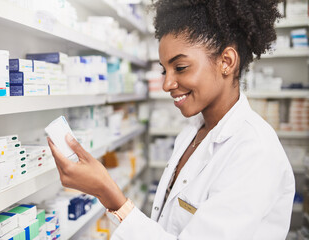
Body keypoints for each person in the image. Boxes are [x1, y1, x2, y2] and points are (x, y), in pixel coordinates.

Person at [47, 0, 295, 239]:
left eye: (181, 67)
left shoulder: (255, 151)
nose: (167, 84)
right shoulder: (192, 133)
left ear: (226, 62)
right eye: (165, 70)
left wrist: (108, 192)